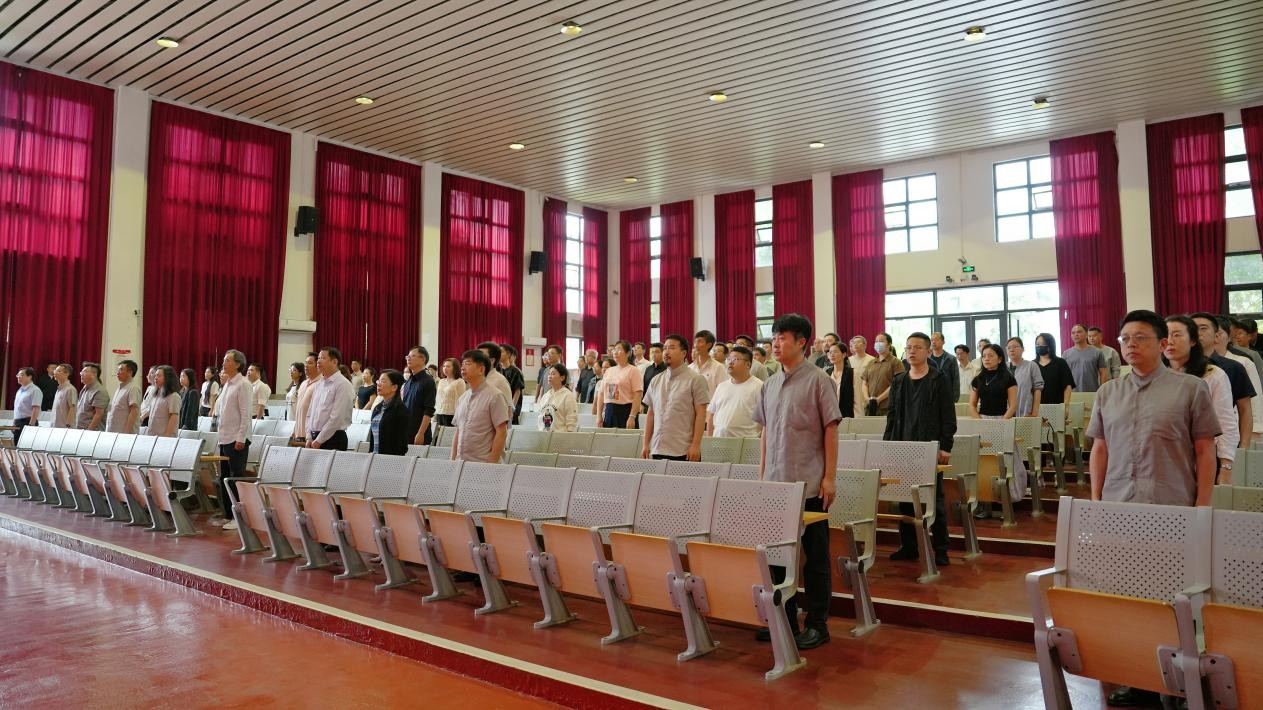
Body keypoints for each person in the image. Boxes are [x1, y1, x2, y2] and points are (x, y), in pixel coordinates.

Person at [751, 313, 841, 650]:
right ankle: (784, 620)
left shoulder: (819, 380)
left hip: (809, 484)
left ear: (802, 342)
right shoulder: (769, 384)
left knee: (814, 559)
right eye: (774, 337)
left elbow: (831, 430)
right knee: (775, 557)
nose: (775, 343)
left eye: (783, 337)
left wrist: (830, 477)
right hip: (776, 484)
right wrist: (762, 475)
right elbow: (765, 432)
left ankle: (817, 624)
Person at [884, 332, 957, 567]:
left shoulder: (939, 379)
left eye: (917, 347)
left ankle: (941, 549)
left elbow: (948, 416)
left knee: (934, 501)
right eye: (908, 347)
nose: (912, 351)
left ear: (928, 351)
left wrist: (945, 446)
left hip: (930, 449)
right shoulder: (899, 381)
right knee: (904, 500)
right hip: (903, 448)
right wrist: (887, 447)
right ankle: (909, 546)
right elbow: (892, 417)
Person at [1165, 315, 1237, 479]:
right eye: (1165, 335)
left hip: (1203, 457)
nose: (1169, 341)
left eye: (1177, 335)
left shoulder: (1213, 375)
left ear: (1193, 340)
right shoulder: (1156, 375)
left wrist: (1226, 466)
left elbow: (1226, 422)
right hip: (1164, 459)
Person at [641, 334, 709, 461]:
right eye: (665, 348)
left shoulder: (696, 379)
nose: (666, 352)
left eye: (671, 348)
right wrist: (645, 444)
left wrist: (696, 445)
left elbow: (701, 415)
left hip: (683, 450)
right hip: (658, 447)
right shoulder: (656, 380)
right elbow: (651, 414)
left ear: (684, 353)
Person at [1192, 313, 1255, 450]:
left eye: (1203, 328)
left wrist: (1243, 447)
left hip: (1223, 443)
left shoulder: (1234, 367)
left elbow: (1245, 409)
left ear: (1216, 335)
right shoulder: (1179, 367)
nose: (1198, 333)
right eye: (1193, 328)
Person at [451, 349, 511, 463]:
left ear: (481, 370)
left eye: (468, 364)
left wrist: (491, 462)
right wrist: (452, 460)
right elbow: (458, 431)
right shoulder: (463, 398)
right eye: (462, 364)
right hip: (461, 463)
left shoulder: (495, 396)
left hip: (483, 463)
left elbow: (502, 432)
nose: (462, 367)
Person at [215, 350, 252, 532]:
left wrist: (241, 437)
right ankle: (229, 515)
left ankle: (240, 517)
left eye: (227, 360)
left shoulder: (243, 384)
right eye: (224, 360)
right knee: (224, 478)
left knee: (235, 478)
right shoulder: (227, 384)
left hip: (237, 439)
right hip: (225, 437)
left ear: (238, 364)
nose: (224, 363)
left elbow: (246, 414)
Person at [707, 345, 763, 438]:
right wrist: (709, 440)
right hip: (718, 441)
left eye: (735, 359)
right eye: (729, 359)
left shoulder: (759, 387)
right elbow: (711, 415)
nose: (730, 362)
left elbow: (765, 420)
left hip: (745, 442)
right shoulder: (722, 386)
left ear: (748, 365)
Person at [305, 347, 355, 451]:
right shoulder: (319, 384)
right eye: (318, 358)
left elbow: (337, 417)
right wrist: (309, 436)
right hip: (315, 438)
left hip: (333, 438)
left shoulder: (343, 384)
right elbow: (311, 412)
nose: (318, 361)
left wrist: (320, 439)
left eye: (323, 358)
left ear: (334, 362)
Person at [601, 340, 643, 429]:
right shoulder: (609, 371)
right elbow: (601, 394)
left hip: (626, 411)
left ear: (628, 353)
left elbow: (638, 395)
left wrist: (632, 416)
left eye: (619, 349)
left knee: (626, 437)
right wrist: (598, 416)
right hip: (609, 410)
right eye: (614, 349)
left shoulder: (633, 370)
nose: (615, 352)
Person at [368, 369, 409, 455]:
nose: (378, 384)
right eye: (379, 381)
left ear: (394, 387)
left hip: (389, 459)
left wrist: (390, 460)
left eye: (383, 381)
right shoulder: (378, 408)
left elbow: (401, 443)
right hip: (374, 456)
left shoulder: (400, 410)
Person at [970, 344, 1018, 420]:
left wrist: (1002, 423)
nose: (986, 359)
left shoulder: (1009, 379)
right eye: (984, 356)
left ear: (1000, 359)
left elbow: (1013, 406)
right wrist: (979, 422)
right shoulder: (978, 379)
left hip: (1003, 418)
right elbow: (972, 405)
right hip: (981, 418)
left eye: (990, 356)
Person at [861, 332, 904, 415]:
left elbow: (896, 384)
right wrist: (867, 399)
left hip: (887, 407)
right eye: (876, 341)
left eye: (881, 341)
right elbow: (864, 383)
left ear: (889, 344)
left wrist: (878, 399)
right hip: (870, 407)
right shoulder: (871, 362)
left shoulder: (896, 362)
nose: (878, 343)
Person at [402, 346, 437, 445]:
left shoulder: (428, 381)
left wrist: (421, 433)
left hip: (419, 433)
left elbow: (429, 410)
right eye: (408, 356)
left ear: (422, 359)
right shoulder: (408, 381)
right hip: (406, 431)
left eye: (412, 356)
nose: (408, 358)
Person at [1062, 324, 1108, 392]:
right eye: (1073, 333)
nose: (1076, 334)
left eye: (1079, 332)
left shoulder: (1097, 352)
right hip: (1072, 393)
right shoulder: (1066, 354)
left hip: (1092, 392)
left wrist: (1102, 391)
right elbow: (1063, 376)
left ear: (1086, 334)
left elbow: (1103, 373)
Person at [1005, 337, 1044, 417]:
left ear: (1023, 349)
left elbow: (1037, 389)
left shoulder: (1031, 366)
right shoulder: (1003, 368)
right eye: (1009, 348)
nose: (1011, 350)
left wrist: (1034, 413)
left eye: (1015, 347)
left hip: (1025, 413)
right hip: (1005, 415)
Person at [1034, 333, 1075, 406]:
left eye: (1043, 344)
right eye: (1037, 344)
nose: (1039, 346)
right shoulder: (1032, 364)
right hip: (1037, 406)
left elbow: (1067, 385)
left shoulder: (1060, 362)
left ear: (1050, 345)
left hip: (1057, 405)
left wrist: (1066, 405)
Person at [536, 363, 578, 432]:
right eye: (549, 374)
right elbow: (540, 417)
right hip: (544, 435)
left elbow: (571, 422)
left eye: (553, 374)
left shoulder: (568, 396)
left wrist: (569, 434)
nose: (549, 376)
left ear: (562, 378)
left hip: (560, 436)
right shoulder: (546, 396)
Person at [106, 360, 142, 434]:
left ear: (130, 372)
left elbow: (134, 412)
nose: (117, 373)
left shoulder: (133, 388)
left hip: (124, 434)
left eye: (121, 370)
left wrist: (126, 433)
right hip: (114, 431)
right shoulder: (120, 388)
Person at [476, 341, 514, 411]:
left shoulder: (500, 381)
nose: (476, 360)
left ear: (492, 360)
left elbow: (508, 410)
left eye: (481, 356)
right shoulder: (477, 378)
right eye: (477, 356)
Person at [689, 330, 729, 396]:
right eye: (695, 342)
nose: (696, 345)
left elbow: (723, 392)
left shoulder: (718, 367)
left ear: (709, 345)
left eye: (699, 341)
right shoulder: (690, 368)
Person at [290, 353, 319, 442]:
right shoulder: (303, 383)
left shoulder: (321, 383)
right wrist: (294, 430)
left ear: (318, 365)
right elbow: (299, 409)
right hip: (298, 433)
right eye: (305, 363)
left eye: (309, 363)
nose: (306, 365)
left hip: (311, 434)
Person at [823, 342, 855, 418]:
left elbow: (857, 398)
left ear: (844, 355)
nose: (832, 355)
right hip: (829, 415)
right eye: (830, 352)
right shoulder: (826, 373)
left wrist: (857, 419)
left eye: (835, 352)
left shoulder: (852, 372)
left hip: (847, 416)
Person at [926, 333, 960, 404]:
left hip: (947, 395)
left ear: (943, 342)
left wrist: (955, 398)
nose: (933, 342)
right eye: (932, 340)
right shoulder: (926, 359)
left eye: (936, 340)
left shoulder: (951, 359)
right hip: (930, 396)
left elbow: (955, 379)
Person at [148, 365, 181, 437]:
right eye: (155, 375)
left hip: (164, 437)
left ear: (167, 378)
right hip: (152, 436)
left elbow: (173, 417)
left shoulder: (173, 396)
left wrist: (167, 436)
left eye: (159, 376)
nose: (155, 378)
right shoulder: (155, 395)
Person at [433, 357, 464, 428]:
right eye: (444, 366)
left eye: (448, 366)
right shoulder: (441, 381)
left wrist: (458, 416)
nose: (445, 368)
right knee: (439, 434)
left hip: (452, 414)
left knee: (449, 434)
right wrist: (435, 413)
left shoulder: (459, 381)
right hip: (440, 413)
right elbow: (438, 398)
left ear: (455, 368)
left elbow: (461, 401)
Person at [848, 335, 877, 413]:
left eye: (858, 342)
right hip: (853, 392)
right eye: (854, 343)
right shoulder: (848, 360)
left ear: (865, 345)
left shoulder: (872, 360)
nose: (855, 344)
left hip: (867, 392)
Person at [12, 367, 42, 440]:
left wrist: (31, 425)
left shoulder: (35, 390)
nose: (18, 377)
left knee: (25, 445)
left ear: (30, 376)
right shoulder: (19, 390)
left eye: (21, 375)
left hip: (28, 422)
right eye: (18, 375)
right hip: (18, 422)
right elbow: (16, 409)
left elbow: (36, 408)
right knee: (17, 445)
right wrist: (14, 423)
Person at [76, 362, 108, 431]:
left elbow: (99, 414)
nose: (81, 374)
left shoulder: (99, 391)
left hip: (92, 432)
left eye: (85, 371)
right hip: (81, 430)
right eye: (81, 371)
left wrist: (89, 431)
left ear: (94, 374)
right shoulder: (85, 389)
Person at [500, 344, 526, 425]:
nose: (499, 354)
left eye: (501, 352)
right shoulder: (497, 370)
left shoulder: (515, 371)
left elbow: (517, 390)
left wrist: (512, 408)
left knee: (510, 429)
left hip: (510, 407)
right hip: (499, 406)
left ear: (508, 354)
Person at [50, 364, 78, 428]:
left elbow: (72, 408)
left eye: (59, 371)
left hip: (64, 428)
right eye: (55, 370)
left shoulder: (70, 389)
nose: (55, 372)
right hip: (55, 426)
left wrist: (68, 426)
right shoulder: (59, 388)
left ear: (67, 374)